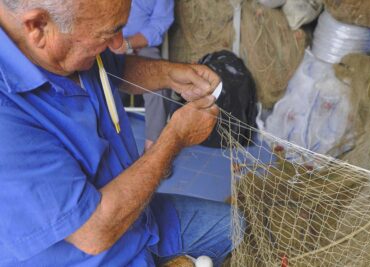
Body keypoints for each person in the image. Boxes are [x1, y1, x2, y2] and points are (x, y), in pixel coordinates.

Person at [0, 1, 235, 266]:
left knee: (243, 231)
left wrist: (172, 74)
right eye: (106, 34)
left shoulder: (66, 44)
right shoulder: (6, 117)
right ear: (38, 26)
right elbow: (94, 231)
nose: (118, 43)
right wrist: (175, 138)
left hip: (142, 222)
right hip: (100, 252)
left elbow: (113, 67)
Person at [111, 0, 174, 152]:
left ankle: (153, 148)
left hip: (143, 46)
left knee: (158, 81)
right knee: (89, 74)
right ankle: (101, 146)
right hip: (107, 43)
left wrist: (129, 44)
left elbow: (160, 23)